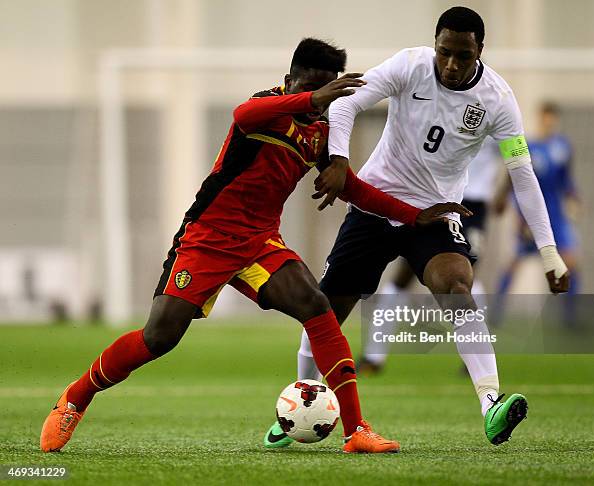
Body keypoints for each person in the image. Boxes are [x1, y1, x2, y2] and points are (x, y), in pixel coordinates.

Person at [40, 38, 468, 455]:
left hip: (260, 242)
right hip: (207, 239)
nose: (320, 100)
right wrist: (311, 98)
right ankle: (75, 399)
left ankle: (356, 430)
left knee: (317, 307)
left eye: (328, 91)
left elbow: (351, 186)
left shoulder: (319, 133)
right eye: (311, 88)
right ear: (289, 80)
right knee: (159, 337)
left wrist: (414, 215)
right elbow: (242, 113)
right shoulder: (264, 108)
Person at [264, 7, 570, 449]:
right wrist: (339, 160)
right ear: (435, 44)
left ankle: (491, 404)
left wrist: (548, 252)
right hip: (375, 204)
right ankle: (299, 404)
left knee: (456, 284)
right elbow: (348, 102)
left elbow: (523, 174)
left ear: (479, 51)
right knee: (325, 310)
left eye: (462, 56)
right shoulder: (410, 65)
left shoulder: (498, 100)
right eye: (444, 52)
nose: (450, 64)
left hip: (434, 214)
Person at [358, 138, 501, 374]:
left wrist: (504, 192)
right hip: (440, 199)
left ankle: (476, 358)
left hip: (475, 205)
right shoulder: (447, 106)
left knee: (467, 276)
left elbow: (517, 158)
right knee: (404, 275)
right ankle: (374, 356)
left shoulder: (499, 108)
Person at [495, 102, 580, 297]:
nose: (548, 123)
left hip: (556, 216)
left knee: (571, 262)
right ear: (540, 119)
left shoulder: (563, 146)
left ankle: (572, 319)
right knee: (513, 264)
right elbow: (512, 178)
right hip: (530, 215)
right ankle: (494, 314)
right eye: (545, 119)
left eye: (552, 120)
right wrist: (505, 202)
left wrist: (574, 197)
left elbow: (566, 179)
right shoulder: (524, 145)